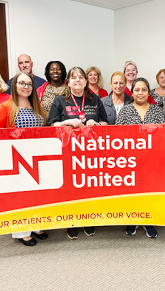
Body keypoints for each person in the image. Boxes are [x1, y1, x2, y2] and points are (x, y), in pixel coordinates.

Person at [47, 66, 108, 239]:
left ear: (86, 81)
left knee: (88, 187)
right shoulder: (60, 100)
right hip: (67, 151)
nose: (78, 80)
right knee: (70, 188)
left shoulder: (95, 99)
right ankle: (71, 222)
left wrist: (95, 124)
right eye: (74, 77)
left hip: (90, 151)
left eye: (81, 77)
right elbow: (51, 125)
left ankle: (88, 219)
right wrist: (66, 122)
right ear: (68, 81)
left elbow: (105, 123)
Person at [0, 71, 48, 246]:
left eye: (29, 84)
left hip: (36, 157)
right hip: (16, 158)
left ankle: (36, 224)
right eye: (22, 83)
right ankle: (22, 231)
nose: (26, 86)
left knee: (37, 195)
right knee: (20, 197)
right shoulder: (5, 107)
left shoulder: (36, 106)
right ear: (14, 86)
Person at [116, 78, 164, 238]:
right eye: (137, 90)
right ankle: (132, 219)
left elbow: (162, 137)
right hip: (130, 161)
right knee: (132, 191)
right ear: (132, 92)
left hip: (152, 160)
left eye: (144, 90)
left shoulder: (157, 111)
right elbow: (118, 137)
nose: (140, 93)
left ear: (148, 92)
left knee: (150, 191)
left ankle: (149, 220)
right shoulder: (125, 111)